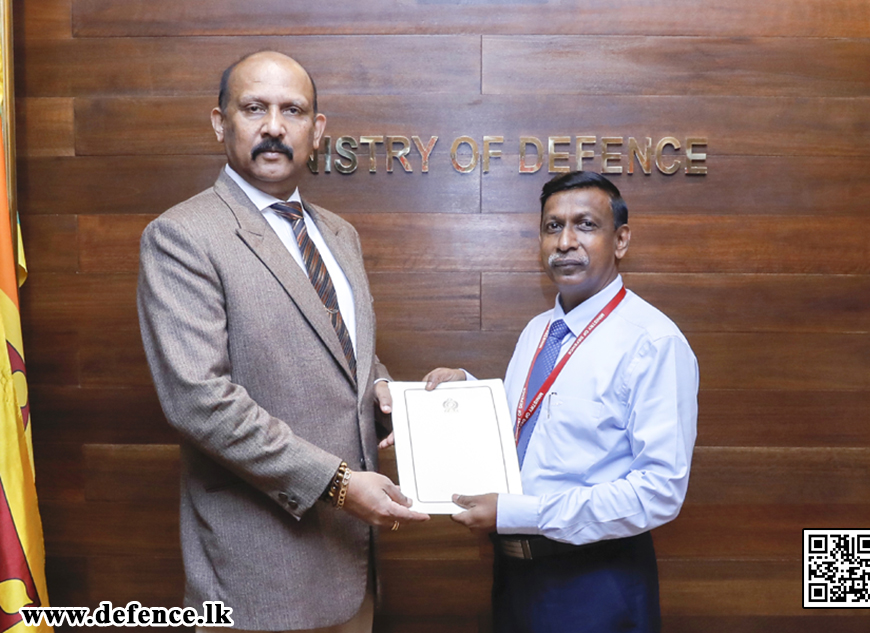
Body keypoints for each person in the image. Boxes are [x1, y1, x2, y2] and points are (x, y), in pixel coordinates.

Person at [137, 51, 428, 633]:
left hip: (352, 565)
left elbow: (344, 354)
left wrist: (387, 392)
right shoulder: (182, 236)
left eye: (292, 110)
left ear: (315, 131)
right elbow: (200, 399)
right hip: (257, 577)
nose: (274, 126)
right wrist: (339, 484)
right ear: (220, 122)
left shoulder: (339, 235)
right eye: (254, 108)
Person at [422, 171, 699, 632]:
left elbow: (659, 491)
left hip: (596, 581)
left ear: (622, 240)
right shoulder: (539, 331)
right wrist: (464, 392)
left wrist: (519, 512)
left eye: (585, 225)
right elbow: (527, 425)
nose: (565, 242)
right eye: (553, 227)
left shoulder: (653, 342)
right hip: (516, 576)